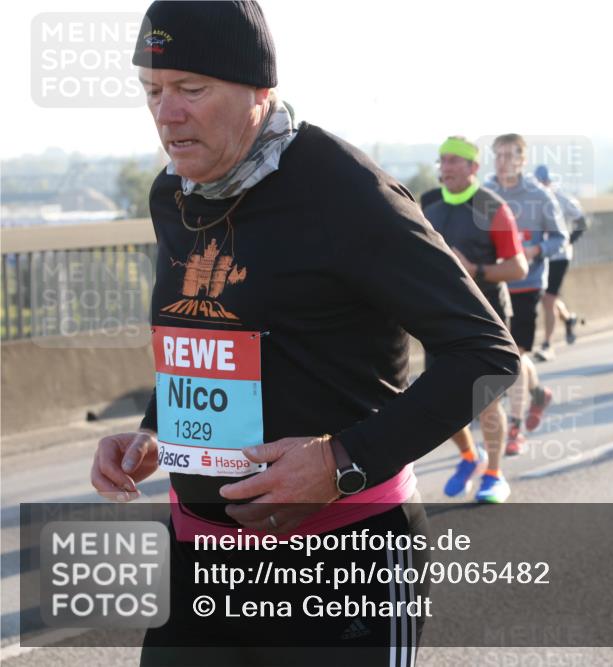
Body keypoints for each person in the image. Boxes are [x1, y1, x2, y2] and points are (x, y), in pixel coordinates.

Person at [91, 3, 520, 664]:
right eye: (153, 90)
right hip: (199, 564)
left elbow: (487, 355)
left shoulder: (348, 192)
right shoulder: (173, 194)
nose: (166, 113)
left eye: (191, 89)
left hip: (343, 568)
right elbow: (209, 327)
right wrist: (155, 429)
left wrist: (338, 461)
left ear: (261, 91)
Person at [420, 136, 529, 501]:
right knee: (439, 400)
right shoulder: (428, 203)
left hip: (487, 317)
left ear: (473, 168)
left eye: (454, 161)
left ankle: (495, 475)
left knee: (485, 399)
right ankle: (470, 456)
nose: (446, 167)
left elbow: (518, 267)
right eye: (442, 160)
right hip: (439, 317)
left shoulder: (492, 208)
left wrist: (474, 270)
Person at [484, 134, 568, 455]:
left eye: (509, 155)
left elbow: (560, 238)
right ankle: (538, 395)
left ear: (522, 160)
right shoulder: (484, 195)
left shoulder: (538, 195)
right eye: (498, 155)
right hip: (494, 285)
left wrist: (535, 249)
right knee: (516, 358)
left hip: (528, 284)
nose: (503, 161)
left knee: (514, 358)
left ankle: (515, 429)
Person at [533, 164, 588, 360]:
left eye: (544, 181)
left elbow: (582, 221)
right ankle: (568, 319)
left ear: (550, 181)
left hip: (560, 256)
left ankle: (548, 345)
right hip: (541, 254)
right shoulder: (532, 200)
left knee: (548, 299)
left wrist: (568, 242)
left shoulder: (563, 199)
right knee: (545, 296)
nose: (542, 185)